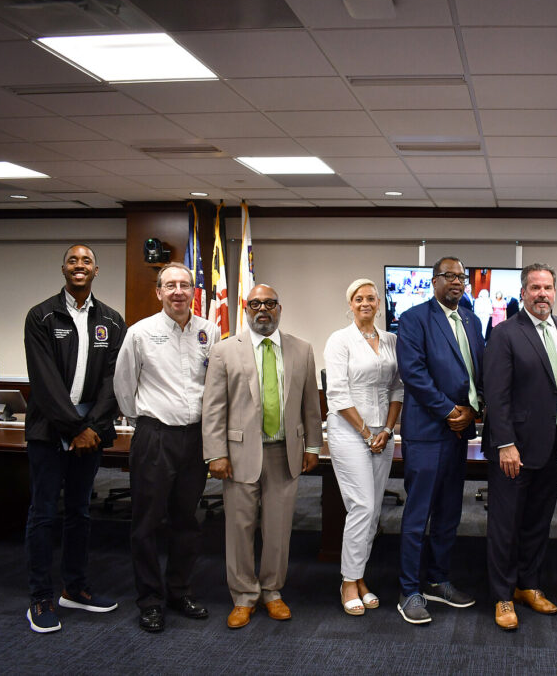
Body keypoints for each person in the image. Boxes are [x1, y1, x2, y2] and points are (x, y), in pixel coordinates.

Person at [202, 284, 323, 628]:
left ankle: (272, 591)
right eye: (255, 304)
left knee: (279, 529)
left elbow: (310, 405)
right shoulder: (225, 350)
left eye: (269, 303)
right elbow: (213, 408)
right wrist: (215, 453)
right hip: (239, 454)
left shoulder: (301, 349)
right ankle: (243, 596)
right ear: (246, 308)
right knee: (239, 529)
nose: (263, 310)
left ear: (279, 308)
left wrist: (312, 446)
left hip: (285, 453)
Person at [22, 244, 126, 633]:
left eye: (86, 261)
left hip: (92, 432)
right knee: (44, 513)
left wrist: (92, 428)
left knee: (80, 512)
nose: (79, 266)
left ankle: (76, 588)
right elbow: (44, 381)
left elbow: (112, 381)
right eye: (72, 260)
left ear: (96, 270)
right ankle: (40, 598)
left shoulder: (112, 321)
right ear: (63, 268)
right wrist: (74, 428)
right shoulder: (42, 316)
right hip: (50, 431)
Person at [114, 262, 220, 633]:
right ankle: (149, 600)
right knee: (146, 522)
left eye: (185, 285)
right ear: (158, 292)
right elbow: (124, 386)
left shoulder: (210, 331)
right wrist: (145, 419)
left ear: (194, 292)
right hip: (155, 436)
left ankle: (179, 591)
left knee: (186, 521)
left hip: (195, 439)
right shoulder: (140, 333)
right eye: (170, 285)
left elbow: (215, 383)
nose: (178, 291)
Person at [482, 263, 557, 631]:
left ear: (555, 291)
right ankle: (503, 596)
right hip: (515, 450)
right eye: (535, 287)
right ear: (523, 293)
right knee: (506, 525)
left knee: (538, 522)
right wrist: (505, 443)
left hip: (552, 444)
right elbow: (496, 392)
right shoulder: (506, 333)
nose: (542, 294)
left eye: (548, 287)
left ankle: (528, 585)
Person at [394, 257, 484, 624]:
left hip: (460, 434)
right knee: (418, 515)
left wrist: (473, 411)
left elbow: (478, 373)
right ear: (433, 282)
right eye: (449, 276)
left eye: (462, 277)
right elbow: (413, 373)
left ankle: (438, 579)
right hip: (428, 432)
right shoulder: (415, 319)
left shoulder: (472, 320)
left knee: (449, 512)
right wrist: (450, 410)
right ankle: (409, 590)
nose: (457, 282)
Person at [324, 279, 403, 616]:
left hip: (382, 435)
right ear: (350, 303)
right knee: (361, 506)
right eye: (359, 298)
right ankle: (347, 581)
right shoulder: (339, 340)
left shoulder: (391, 340)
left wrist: (386, 429)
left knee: (372, 513)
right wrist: (366, 433)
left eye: (372, 297)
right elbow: (338, 394)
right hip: (348, 432)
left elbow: (398, 388)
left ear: (379, 304)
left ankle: (359, 576)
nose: (366, 302)